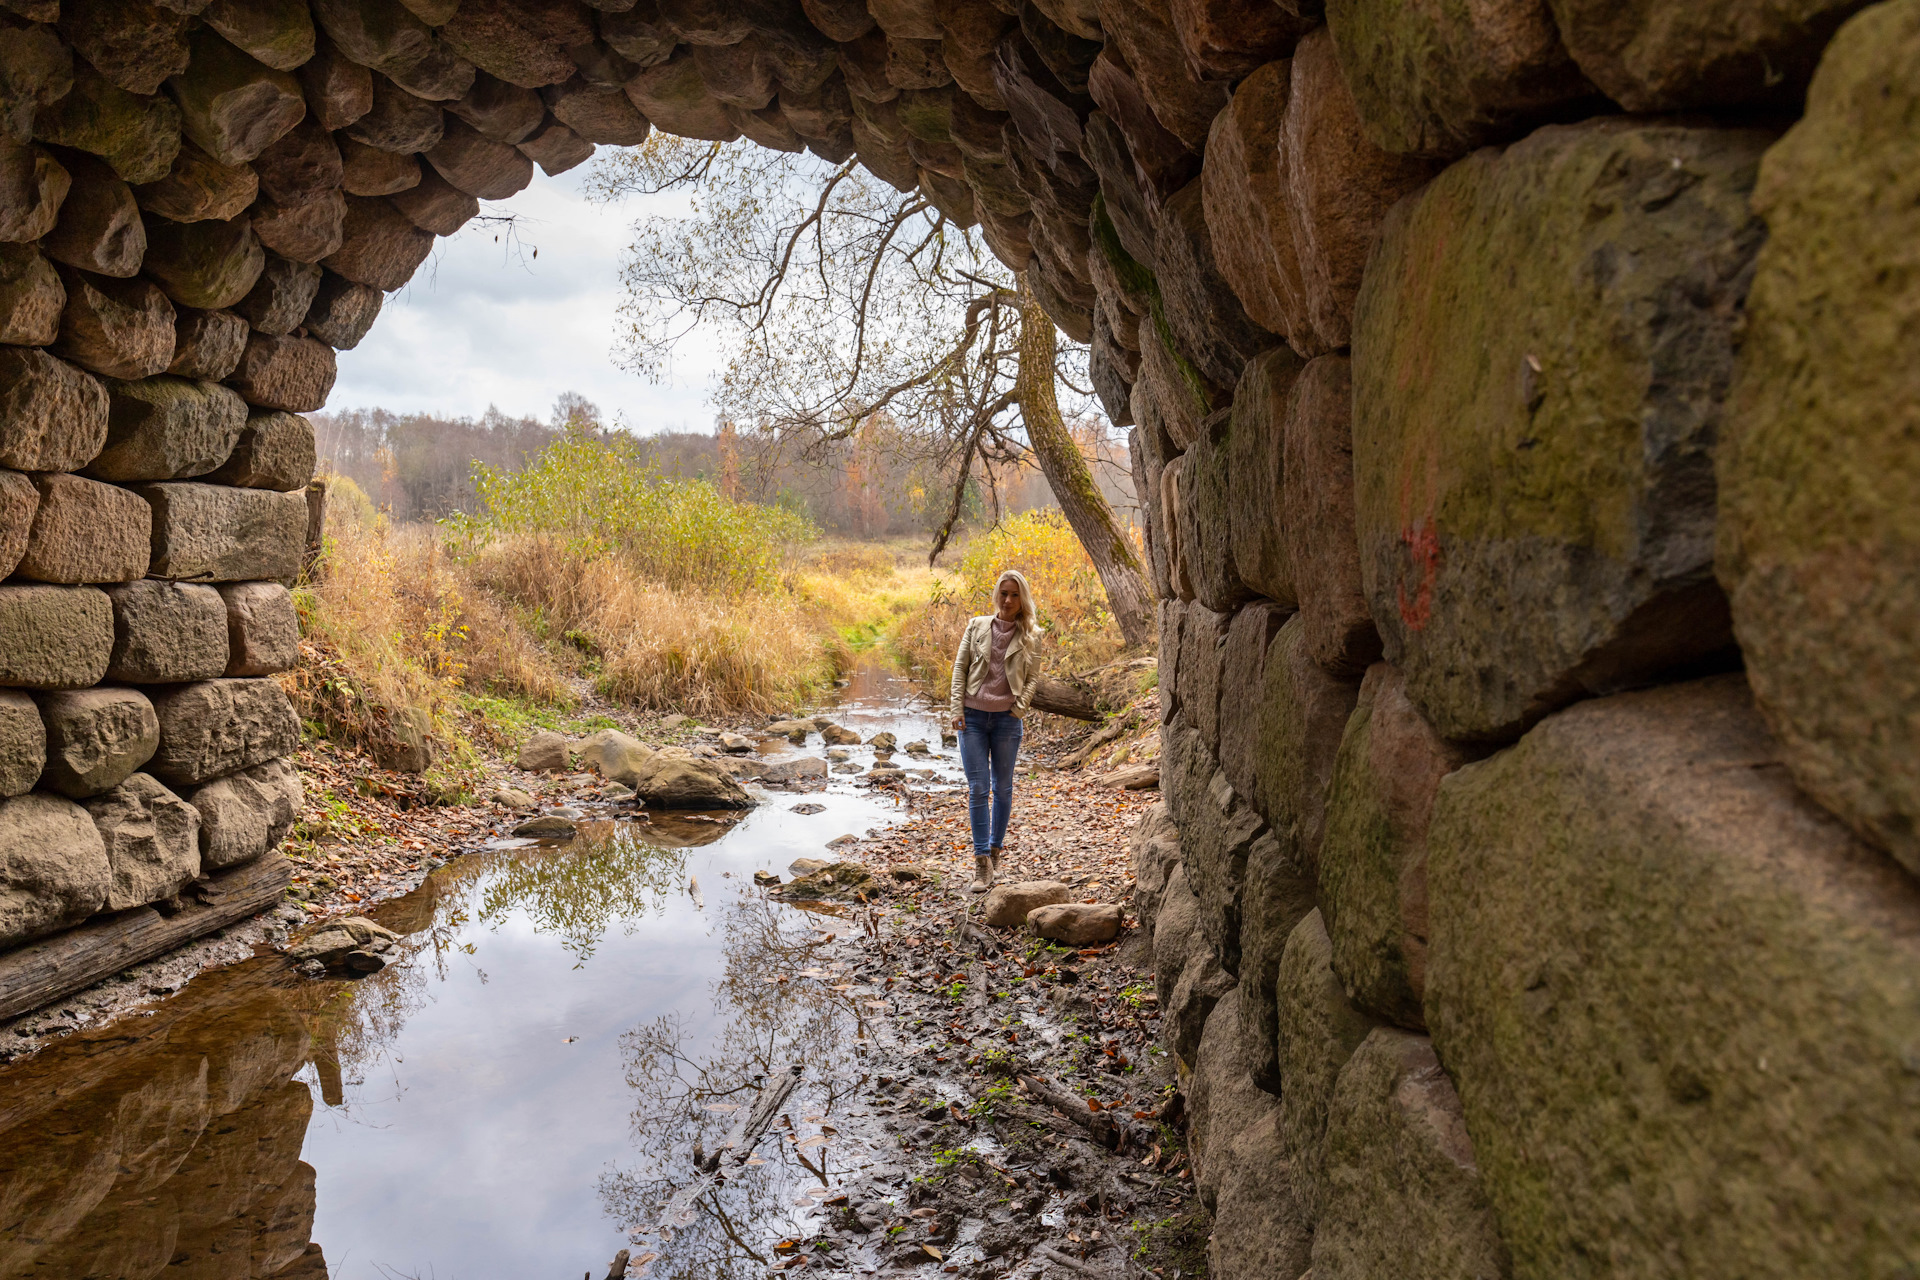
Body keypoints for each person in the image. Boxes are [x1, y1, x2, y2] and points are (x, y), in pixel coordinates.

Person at [950, 569, 1042, 893]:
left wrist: (1019, 707)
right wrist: (956, 710)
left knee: (1002, 789)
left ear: (1022, 599)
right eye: (1004, 593)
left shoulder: (1031, 633)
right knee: (978, 788)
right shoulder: (976, 626)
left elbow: (1032, 678)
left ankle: (995, 851)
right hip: (973, 718)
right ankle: (981, 864)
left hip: (1006, 721)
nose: (1008, 600)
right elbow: (960, 668)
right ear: (996, 594)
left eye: (1015, 594)